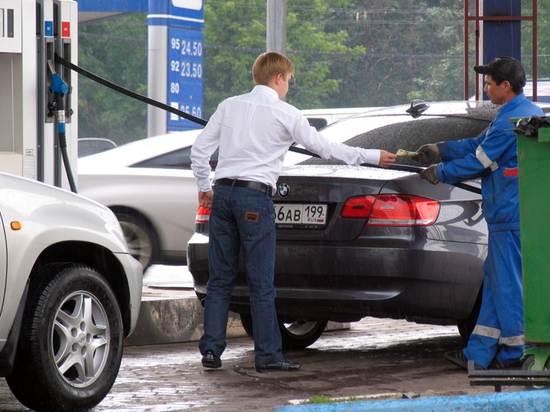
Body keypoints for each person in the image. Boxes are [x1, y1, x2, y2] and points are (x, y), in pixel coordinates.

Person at [190, 51, 396, 372]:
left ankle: (212, 351)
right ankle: (268, 356)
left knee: (220, 280)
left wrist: (205, 186)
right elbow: (325, 149)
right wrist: (371, 156)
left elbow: (200, 150)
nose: (288, 88)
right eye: (289, 81)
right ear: (279, 78)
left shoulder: (229, 105)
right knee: (261, 283)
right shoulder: (288, 114)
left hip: (223, 195)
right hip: (254, 200)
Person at [412, 57, 543, 370]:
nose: (485, 89)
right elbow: (476, 144)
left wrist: (439, 172)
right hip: (515, 213)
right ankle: (479, 354)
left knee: (508, 285)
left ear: (505, 86)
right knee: (497, 281)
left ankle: (514, 354)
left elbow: (478, 162)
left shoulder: (513, 121)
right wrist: (442, 149)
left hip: (509, 215)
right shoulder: (518, 113)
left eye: (489, 83)